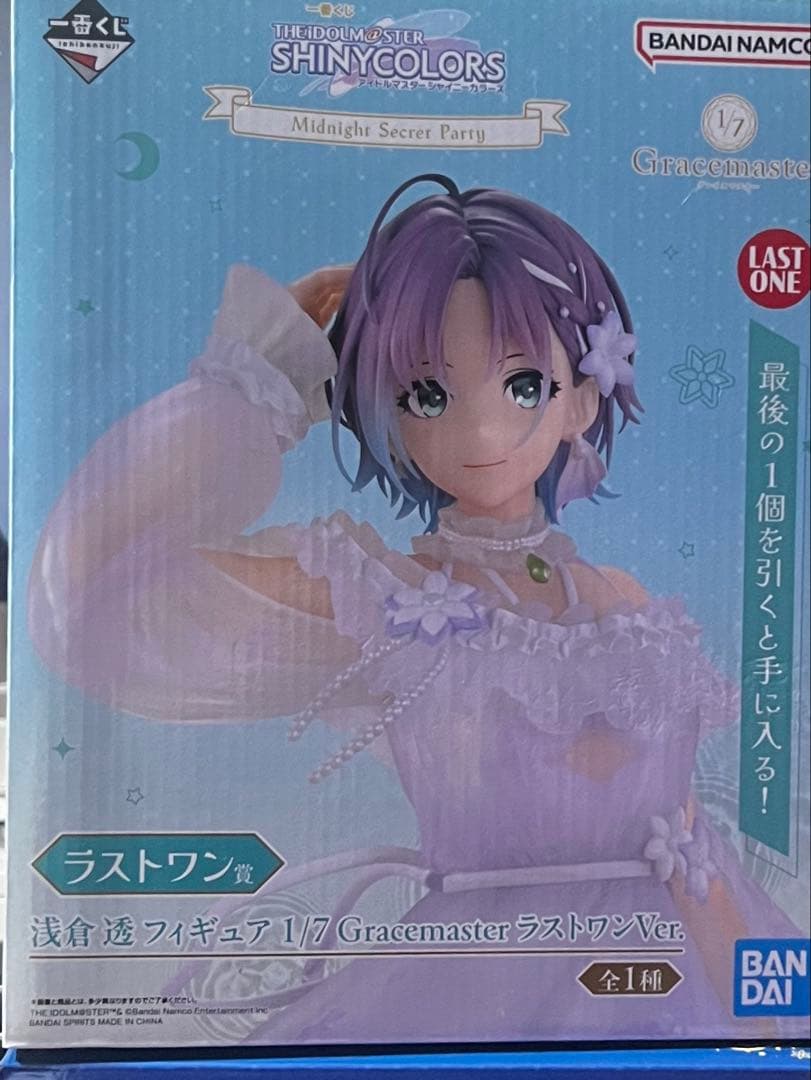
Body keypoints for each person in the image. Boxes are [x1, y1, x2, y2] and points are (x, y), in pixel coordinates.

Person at [29, 175, 802, 1043]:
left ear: (582, 397)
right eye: (426, 395)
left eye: (523, 385)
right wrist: (256, 382)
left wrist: (763, 1017)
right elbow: (94, 594)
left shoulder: (628, 608)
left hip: (667, 985)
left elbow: (688, 843)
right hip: (477, 989)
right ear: (385, 410)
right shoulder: (384, 599)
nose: (480, 433)